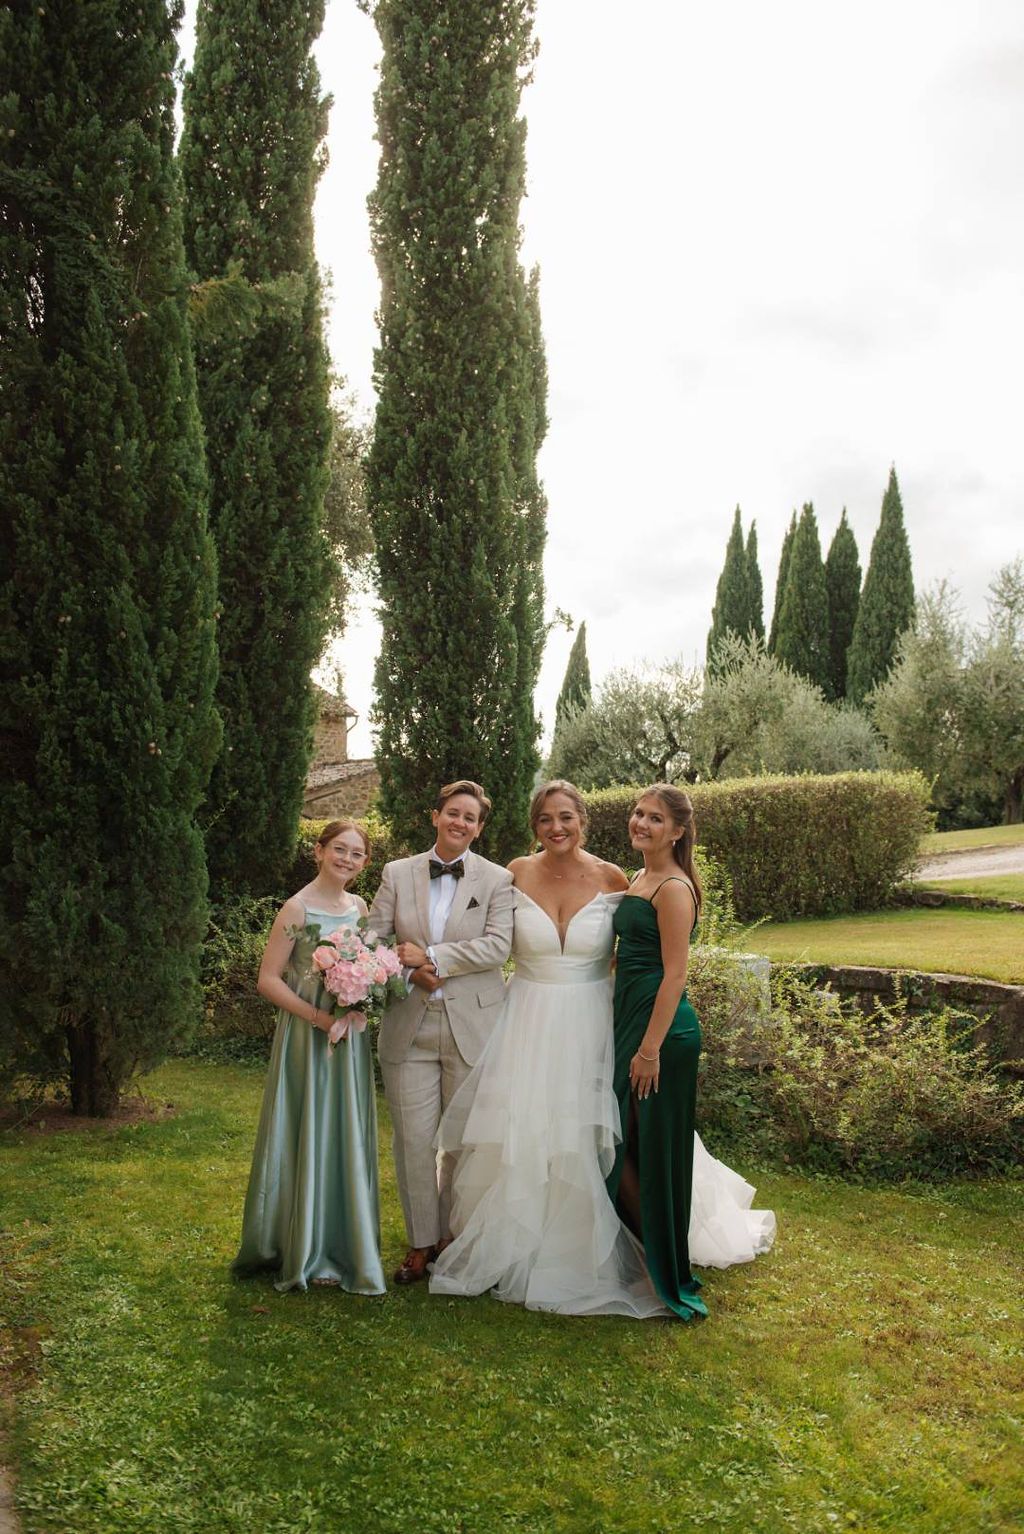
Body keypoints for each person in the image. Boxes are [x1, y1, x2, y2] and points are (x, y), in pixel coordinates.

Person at [431, 780, 775, 1316]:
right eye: (545, 819)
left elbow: (644, 950)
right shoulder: (514, 873)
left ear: (583, 820)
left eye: (566, 816)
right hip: (527, 1019)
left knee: (594, 1130)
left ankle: (616, 1238)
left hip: (595, 1021)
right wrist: (431, 959)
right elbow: (484, 937)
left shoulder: (617, 877)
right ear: (534, 825)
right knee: (526, 1126)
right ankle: (520, 1237)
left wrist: (643, 1032)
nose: (557, 827)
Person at [608, 784, 773, 1319]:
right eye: (638, 814)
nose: (641, 824)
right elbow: (633, 954)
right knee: (623, 1142)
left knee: (655, 1150)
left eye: (655, 819)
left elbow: (675, 975)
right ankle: (643, 1250)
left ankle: (667, 1270)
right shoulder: (639, 876)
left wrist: (650, 1049)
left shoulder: (674, 887)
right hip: (632, 1021)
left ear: (677, 832)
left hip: (662, 1035)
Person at [367, 780, 514, 1285]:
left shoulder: (498, 879)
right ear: (436, 816)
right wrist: (408, 973)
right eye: (453, 813)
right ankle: (421, 1242)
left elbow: (498, 947)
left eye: (471, 818)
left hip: (473, 1026)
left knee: (463, 1141)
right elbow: (372, 939)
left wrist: (432, 958)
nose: (461, 823)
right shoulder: (396, 872)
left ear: (479, 827)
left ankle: (456, 1236)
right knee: (412, 1140)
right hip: (409, 1026)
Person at [232, 820, 386, 1295]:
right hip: (307, 1036)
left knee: (343, 1130)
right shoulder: (295, 908)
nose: (347, 859)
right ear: (319, 851)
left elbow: (366, 963)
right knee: (305, 1127)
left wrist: (363, 993)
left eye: (357, 854)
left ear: (364, 864)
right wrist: (319, 1019)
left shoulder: (359, 907)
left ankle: (343, 1240)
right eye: (339, 849)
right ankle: (298, 1244)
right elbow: (269, 979)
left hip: (348, 1040)